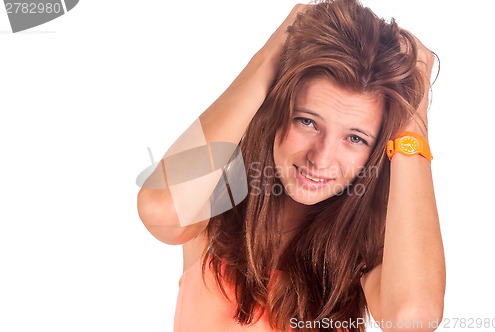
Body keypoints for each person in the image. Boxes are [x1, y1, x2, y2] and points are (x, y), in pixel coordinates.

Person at [137, 0, 445, 331]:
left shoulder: (366, 246)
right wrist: (276, 53)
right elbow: (161, 210)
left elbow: (413, 319)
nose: (321, 158)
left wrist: (413, 115)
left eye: (355, 138)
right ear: (278, 108)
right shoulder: (217, 196)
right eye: (307, 121)